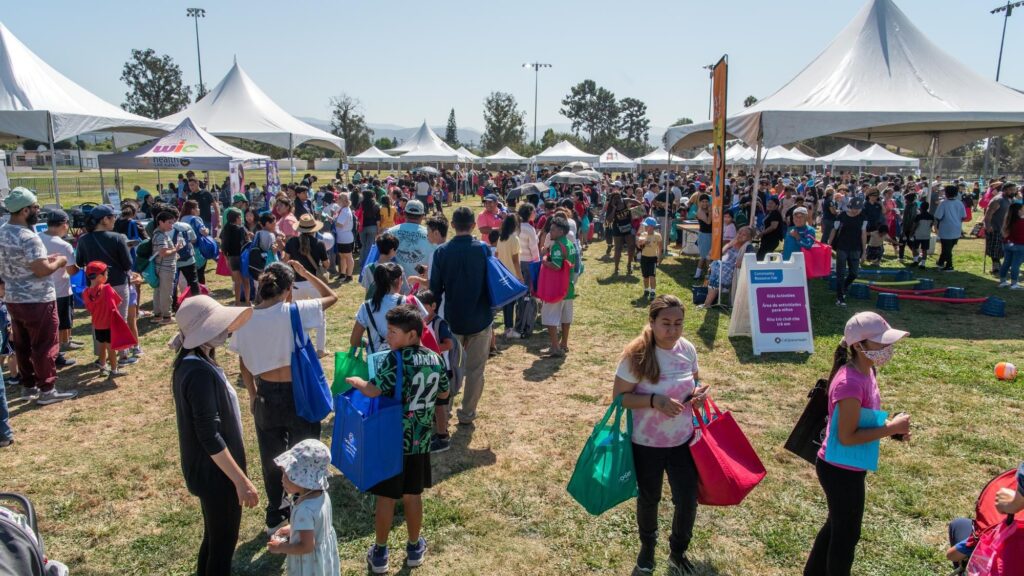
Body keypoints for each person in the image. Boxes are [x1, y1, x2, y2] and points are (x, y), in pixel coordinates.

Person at [229, 261, 337, 535]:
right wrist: (307, 274)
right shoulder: (294, 311)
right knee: (305, 453)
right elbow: (332, 297)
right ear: (289, 290)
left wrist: (253, 394)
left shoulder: (245, 317)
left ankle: (275, 512)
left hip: (265, 393)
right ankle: (304, 506)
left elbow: (243, 362)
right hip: (298, 391)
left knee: (271, 457)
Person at [804, 312, 912, 576]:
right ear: (858, 346)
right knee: (846, 536)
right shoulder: (850, 383)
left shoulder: (867, 371)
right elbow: (847, 436)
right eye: (881, 343)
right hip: (839, 470)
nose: (888, 348)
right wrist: (890, 428)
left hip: (848, 465)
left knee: (837, 526)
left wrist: (891, 430)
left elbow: (861, 420)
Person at [345, 305, 450, 574]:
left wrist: (356, 381)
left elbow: (374, 389)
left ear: (412, 334)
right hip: (420, 440)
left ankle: (380, 553)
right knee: (413, 495)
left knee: (386, 497)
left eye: (393, 332)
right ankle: (414, 547)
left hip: (392, 441)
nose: (388, 337)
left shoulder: (394, 359)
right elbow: (443, 395)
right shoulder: (436, 359)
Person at [612, 295, 710, 575]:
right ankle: (647, 549)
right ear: (652, 322)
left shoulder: (688, 349)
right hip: (647, 443)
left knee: (687, 498)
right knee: (649, 497)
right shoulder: (637, 355)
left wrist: (698, 395)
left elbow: (695, 380)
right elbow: (619, 399)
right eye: (666, 323)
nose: (673, 330)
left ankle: (678, 552)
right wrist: (654, 401)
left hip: (683, 440)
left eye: (679, 323)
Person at [171, 295, 258, 576]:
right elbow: (209, 435)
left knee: (214, 537)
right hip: (217, 474)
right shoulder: (198, 374)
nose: (225, 329)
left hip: (208, 471)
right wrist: (240, 481)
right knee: (223, 544)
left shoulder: (195, 362)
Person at [0, 188, 77, 405]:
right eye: (35, 207)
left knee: (22, 345)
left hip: (14, 298)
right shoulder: (28, 237)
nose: (38, 210)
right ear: (25, 210)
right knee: (44, 344)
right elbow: (41, 270)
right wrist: (60, 261)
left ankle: (29, 385)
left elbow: (24, 262)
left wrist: (46, 259)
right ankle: (47, 389)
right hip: (37, 299)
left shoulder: (3, 231)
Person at [429, 207, 492, 428]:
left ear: (453, 225)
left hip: (453, 319)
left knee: (450, 368)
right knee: (476, 370)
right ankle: (467, 413)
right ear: (474, 225)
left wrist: (431, 319)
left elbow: (435, 289)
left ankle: (445, 410)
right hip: (481, 317)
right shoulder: (484, 249)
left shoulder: (441, 252)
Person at [74, 203, 137, 366]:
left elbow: (80, 262)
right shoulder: (117, 238)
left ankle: (101, 356)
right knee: (119, 319)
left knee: (98, 320)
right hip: (117, 284)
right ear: (104, 220)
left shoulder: (83, 240)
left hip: (94, 287)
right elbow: (127, 264)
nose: (115, 219)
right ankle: (122, 354)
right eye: (112, 217)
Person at [266, 440, 341, 575]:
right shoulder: (322, 495)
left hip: (309, 565)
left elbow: (306, 547)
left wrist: (281, 547)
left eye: (287, 475)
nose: (282, 479)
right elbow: (316, 526)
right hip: (322, 558)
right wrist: (292, 528)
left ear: (301, 479)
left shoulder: (304, 510)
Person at [38, 210, 80, 366]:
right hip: (60, 290)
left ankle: (63, 345)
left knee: (51, 324)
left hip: (41, 291)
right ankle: (58, 354)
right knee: (61, 324)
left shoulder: (36, 238)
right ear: (64, 225)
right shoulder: (64, 245)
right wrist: (80, 267)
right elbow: (71, 270)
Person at [82, 262, 133, 377]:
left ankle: (102, 365)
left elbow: (89, 308)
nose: (108, 275)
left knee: (101, 345)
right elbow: (117, 303)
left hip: (97, 325)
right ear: (100, 276)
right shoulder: (107, 289)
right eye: (106, 273)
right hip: (109, 325)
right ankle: (114, 370)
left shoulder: (85, 293)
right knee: (111, 349)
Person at [541, 217, 577, 357]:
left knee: (550, 316)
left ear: (561, 231)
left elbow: (556, 266)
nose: (550, 231)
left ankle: (555, 348)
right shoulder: (570, 244)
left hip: (557, 288)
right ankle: (564, 344)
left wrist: (544, 260)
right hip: (569, 287)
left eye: (553, 229)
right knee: (566, 317)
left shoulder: (556, 246)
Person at [352, 262, 406, 354]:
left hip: (375, 363)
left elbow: (354, 340)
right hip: (404, 360)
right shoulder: (409, 302)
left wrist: (368, 343)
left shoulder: (366, 307)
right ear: (398, 280)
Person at [699, 226, 754, 309]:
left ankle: (707, 303)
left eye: (744, 235)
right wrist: (730, 244)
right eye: (739, 233)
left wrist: (741, 259)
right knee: (713, 271)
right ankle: (708, 302)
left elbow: (747, 260)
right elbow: (721, 253)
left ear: (749, 238)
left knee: (715, 277)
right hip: (721, 266)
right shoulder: (734, 242)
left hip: (730, 271)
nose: (740, 235)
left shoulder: (748, 246)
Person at [828, 197, 868, 307]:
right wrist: (829, 244)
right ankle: (839, 298)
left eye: (859, 208)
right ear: (850, 206)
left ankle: (844, 287)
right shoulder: (841, 216)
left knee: (854, 273)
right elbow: (834, 230)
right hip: (842, 247)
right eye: (855, 208)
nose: (857, 210)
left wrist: (864, 251)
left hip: (856, 248)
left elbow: (863, 233)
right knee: (840, 273)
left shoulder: (863, 217)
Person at [386, 199, 435, 288]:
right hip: (422, 290)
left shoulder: (390, 232)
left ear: (404, 213)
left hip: (395, 289)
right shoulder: (432, 235)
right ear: (423, 216)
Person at [151, 208, 184, 324]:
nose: (172, 225)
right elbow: (163, 253)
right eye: (169, 222)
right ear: (161, 222)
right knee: (166, 292)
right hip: (165, 268)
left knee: (158, 291)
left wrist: (174, 251)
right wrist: (176, 249)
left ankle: (158, 315)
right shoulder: (161, 236)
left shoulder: (158, 233)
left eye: (173, 222)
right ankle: (166, 317)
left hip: (160, 267)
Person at [984, 182, 1017, 275]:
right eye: (1011, 190)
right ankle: (996, 266)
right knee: (995, 249)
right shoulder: (998, 200)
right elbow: (988, 214)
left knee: (1007, 249)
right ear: (1005, 190)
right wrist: (988, 225)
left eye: (1014, 190)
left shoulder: (1012, 199)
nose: (1013, 192)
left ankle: (1005, 265)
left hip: (1007, 229)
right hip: (995, 228)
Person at [932, 185, 967, 271]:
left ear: (946, 193)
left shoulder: (943, 203)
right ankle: (940, 262)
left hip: (946, 228)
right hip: (957, 228)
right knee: (948, 247)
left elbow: (938, 216)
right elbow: (964, 216)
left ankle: (949, 265)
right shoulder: (960, 203)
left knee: (946, 248)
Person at [998, 198, 1024, 289]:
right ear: (1018, 211)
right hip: (1020, 245)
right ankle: (1014, 283)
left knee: (1006, 263)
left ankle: (1002, 281)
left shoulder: (1008, 221)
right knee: (1016, 264)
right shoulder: (1021, 222)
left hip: (1007, 244)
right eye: (1022, 209)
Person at [637, 217, 662, 301]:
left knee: (652, 276)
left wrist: (659, 257)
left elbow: (660, 247)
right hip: (644, 258)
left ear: (651, 226)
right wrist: (642, 242)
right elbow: (639, 246)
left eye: (646, 226)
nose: (645, 227)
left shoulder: (657, 235)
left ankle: (653, 292)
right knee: (645, 277)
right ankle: (646, 290)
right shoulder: (643, 234)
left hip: (653, 258)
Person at [333, 192, 356, 283]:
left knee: (348, 256)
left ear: (342, 200)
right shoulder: (344, 209)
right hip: (343, 237)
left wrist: (333, 220)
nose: (337, 201)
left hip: (345, 237)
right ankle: (342, 273)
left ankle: (349, 275)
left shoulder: (345, 211)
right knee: (342, 256)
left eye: (338, 199)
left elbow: (339, 224)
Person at [757, 196, 785, 260]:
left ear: (776, 205)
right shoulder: (770, 213)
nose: (769, 204)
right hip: (767, 239)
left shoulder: (775, 213)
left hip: (771, 239)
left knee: (761, 256)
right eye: (768, 203)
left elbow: (773, 226)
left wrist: (762, 233)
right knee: (767, 257)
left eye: (771, 203)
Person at [359, 193, 381, 267]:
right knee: (370, 245)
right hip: (372, 226)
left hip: (362, 226)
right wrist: (378, 229)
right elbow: (378, 219)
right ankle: (366, 262)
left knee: (363, 245)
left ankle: (361, 261)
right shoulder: (376, 205)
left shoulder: (361, 204)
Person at [910, 201, 934, 268]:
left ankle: (915, 261)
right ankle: (923, 264)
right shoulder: (931, 216)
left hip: (918, 235)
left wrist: (911, 233)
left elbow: (915, 226)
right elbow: (931, 225)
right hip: (926, 235)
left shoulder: (918, 216)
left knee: (914, 248)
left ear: (920, 208)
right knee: (924, 250)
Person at [694, 194, 712, 278]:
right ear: (699, 202)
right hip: (704, 235)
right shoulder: (700, 211)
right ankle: (707, 276)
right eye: (703, 202)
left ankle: (699, 275)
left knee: (705, 256)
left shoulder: (706, 209)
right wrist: (711, 212)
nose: (705, 203)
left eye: (706, 201)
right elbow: (708, 222)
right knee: (705, 257)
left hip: (709, 234)